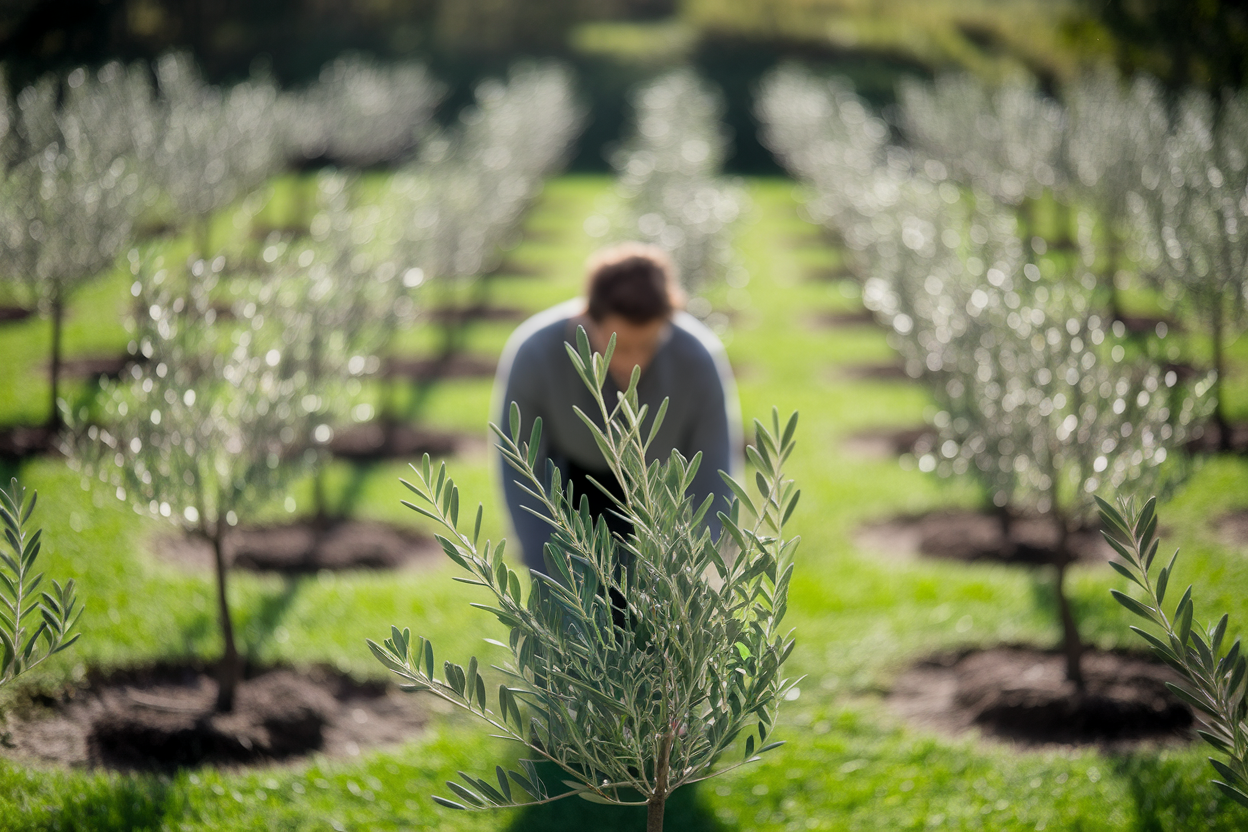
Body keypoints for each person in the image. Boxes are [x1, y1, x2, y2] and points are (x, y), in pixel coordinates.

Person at [492, 242, 742, 574]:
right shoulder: (535, 352)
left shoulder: (698, 357)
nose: (633, 361)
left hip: (661, 494)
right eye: (618, 346)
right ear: (586, 317)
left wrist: (699, 569)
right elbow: (520, 466)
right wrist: (544, 563)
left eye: (647, 345)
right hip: (571, 487)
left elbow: (714, 471)